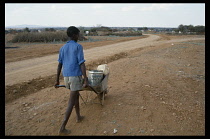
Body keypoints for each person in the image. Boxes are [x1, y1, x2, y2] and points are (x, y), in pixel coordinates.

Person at [54, 26, 88, 135]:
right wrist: (85, 79)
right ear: (74, 35)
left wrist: (57, 80)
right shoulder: (78, 47)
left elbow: (60, 65)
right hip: (74, 77)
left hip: (66, 77)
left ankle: (78, 116)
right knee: (71, 101)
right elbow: (81, 63)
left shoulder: (62, 48)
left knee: (76, 95)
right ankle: (62, 127)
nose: (78, 36)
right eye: (78, 34)